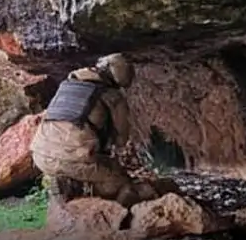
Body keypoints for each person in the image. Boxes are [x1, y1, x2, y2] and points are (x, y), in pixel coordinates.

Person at [30, 53, 154, 208]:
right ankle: (114, 215)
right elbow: (121, 140)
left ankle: (67, 184)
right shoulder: (113, 97)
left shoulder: (67, 85)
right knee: (119, 181)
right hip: (71, 159)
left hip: (39, 154)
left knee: (84, 162)